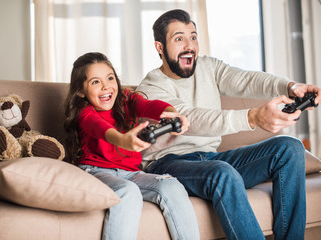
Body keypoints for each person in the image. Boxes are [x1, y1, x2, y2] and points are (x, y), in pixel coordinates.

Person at [137, 9, 321, 240]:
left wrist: (291, 87)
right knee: (223, 172)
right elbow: (191, 118)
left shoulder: (208, 67)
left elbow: (246, 80)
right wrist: (252, 117)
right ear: (160, 47)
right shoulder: (149, 89)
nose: (189, 45)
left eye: (193, 37)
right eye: (179, 38)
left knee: (290, 148)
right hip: (168, 164)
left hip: (210, 158)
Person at [64, 52, 200, 240]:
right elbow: (101, 128)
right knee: (128, 192)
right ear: (80, 91)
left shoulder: (127, 100)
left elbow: (149, 105)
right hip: (95, 171)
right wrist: (123, 140)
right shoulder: (84, 113)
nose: (105, 86)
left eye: (110, 78)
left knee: (172, 186)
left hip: (131, 173)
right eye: (95, 82)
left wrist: (172, 114)